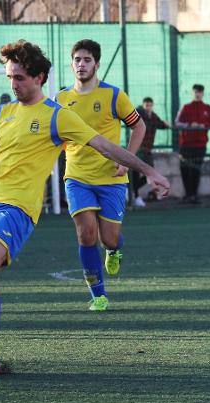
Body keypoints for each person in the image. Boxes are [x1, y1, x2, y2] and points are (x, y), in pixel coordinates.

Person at [0, 40, 170, 376]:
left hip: (18, 209)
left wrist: (149, 170)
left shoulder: (57, 116)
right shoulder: (1, 114)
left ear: (39, 77)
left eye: (20, 77)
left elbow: (105, 145)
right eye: (10, 77)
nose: (13, 84)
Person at [56, 39, 147, 312]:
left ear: (97, 63)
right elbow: (54, 134)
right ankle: (98, 295)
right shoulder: (61, 99)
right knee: (86, 235)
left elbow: (139, 127)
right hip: (77, 177)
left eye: (86, 60)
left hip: (112, 178)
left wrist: (126, 161)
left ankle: (114, 249)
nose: (81, 64)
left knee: (108, 238)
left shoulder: (114, 96)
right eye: (76, 60)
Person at [175, 84, 210, 204]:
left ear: (203, 93)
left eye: (200, 92)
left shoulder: (207, 108)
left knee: (196, 170)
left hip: (200, 145)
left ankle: (194, 196)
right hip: (186, 145)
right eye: (196, 91)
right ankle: (187, 195)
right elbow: (177, 123)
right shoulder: (186, 107)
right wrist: (190, 125)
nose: (197, 94)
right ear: (192, 92)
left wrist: (203, 126)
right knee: (185, 169)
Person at [133, 97, 170, 207]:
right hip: (138, 148)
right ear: (143, 105)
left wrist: (166, 124)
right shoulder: (139, 114)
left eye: (150, 105)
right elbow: (132, 118)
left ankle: (129, 189)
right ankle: (135, 196)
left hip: (147, 150)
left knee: (151, 173)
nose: (148, 107)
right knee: (135, 172)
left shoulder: (153, 116)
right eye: (146, 105)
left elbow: (161, 125)